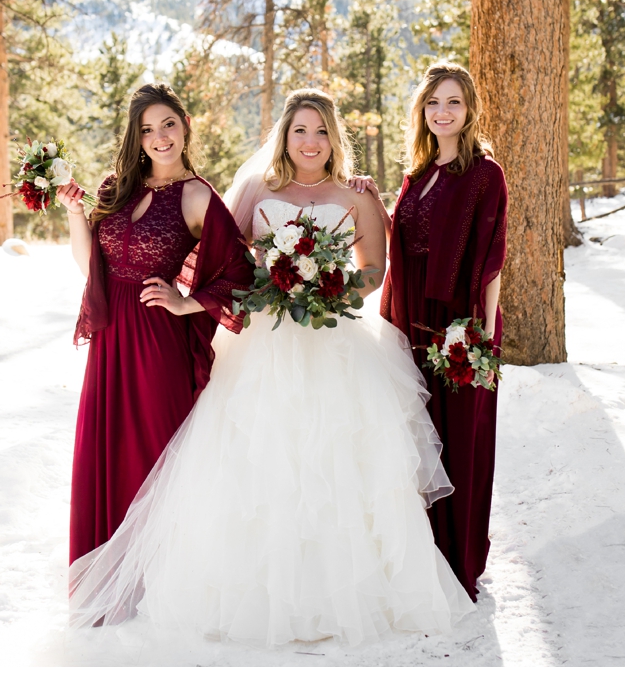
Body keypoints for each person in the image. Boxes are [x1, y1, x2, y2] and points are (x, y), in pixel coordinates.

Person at [67, 89, 475, 644]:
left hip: (335, 341)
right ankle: (247, 591)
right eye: (300, 131)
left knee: (336, 461)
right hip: (265, 338)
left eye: (322, 132)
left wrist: (330, 285)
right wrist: (208, 297)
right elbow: (228, 262)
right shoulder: (257, 190)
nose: (311, 142)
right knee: (255, 456)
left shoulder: (356, 196)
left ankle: (347, 593)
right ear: (283, 137)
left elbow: (374, 268)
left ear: (335, 139)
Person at [61, 84, 251, 564]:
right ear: (137, 137)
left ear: (185, 126)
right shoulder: (116, 187)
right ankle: (108, 566)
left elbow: (242, 275)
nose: (159, 137)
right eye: (147, 129)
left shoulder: (198, 197)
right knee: (106, 450)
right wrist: (74, 214)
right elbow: (91, 268)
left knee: (150, 451)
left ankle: (159, 575)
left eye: (168, 124)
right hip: (110, 337)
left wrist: (186, 304)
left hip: (155, 339)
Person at [380, 62, 509, 602]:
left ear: (470, 109)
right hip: (414, 321)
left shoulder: (485, 174)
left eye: (453, 102)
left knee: (460, 440)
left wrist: (480, 335)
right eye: (433, 102)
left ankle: (459, 562)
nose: (442, 112)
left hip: (459, 324)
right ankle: (421, 556)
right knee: (418, 437)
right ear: (422, 111)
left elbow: (493, 260)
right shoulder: (417, 173)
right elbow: (403, 241)